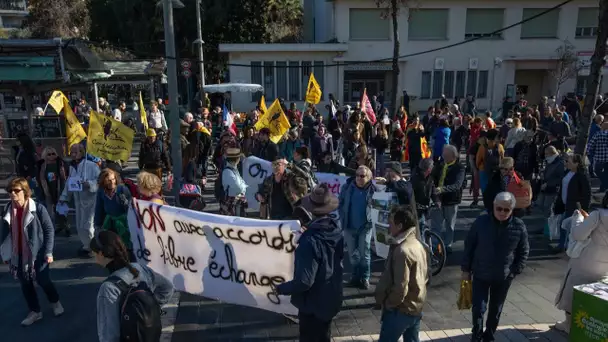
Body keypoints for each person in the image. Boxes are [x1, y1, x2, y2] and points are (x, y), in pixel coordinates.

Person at [275, 184, 344, 342]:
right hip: (331, 296)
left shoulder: (309, 241)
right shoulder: (335, 229)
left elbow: (304, 281)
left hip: (313, 304)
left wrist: (281, 288)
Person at [462, 192, 529, 342]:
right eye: (499, 208)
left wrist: (515, 270)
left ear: (512, 210)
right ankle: (476, 335)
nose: (502, 213)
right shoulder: (481, 222)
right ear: (493, 206)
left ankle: (489, 336)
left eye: (506, 210)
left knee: (495, 310)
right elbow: (469, 246)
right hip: (480, 272)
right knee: (478, 308)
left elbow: (523, 250)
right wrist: (465, 270)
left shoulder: (519, 226)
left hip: (503, 276)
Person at [0, 177, 63, 326]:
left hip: (38, 253)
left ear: (25, 191)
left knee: (43, 280)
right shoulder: (8, 209)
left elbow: (49, 230)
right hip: (18, 254)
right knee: (25, 284)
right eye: (10, 191)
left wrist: (48, 252)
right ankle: (35, 311)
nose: (13, 194)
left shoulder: (38, 208)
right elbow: (4, 232)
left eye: (16, 190)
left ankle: (55, 302)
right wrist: (4, 252)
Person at [91, 230, 174, 342]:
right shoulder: (139, 269)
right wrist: (151, 308)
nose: (93, 256)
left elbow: (109, 334)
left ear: (101, 253)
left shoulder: (108, 288)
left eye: (94, 253)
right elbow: (167, 287)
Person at [554, 193, 608, 333]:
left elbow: (578, 234)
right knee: (593, 294)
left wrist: (579, 220)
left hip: (586, 259)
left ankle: (569, 324)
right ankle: (587, 325)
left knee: (573, 290)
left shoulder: (598, 215)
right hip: (604, 264)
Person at [375, 206, 429, 342]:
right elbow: (425, 276)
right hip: (416, 307)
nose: (388, 226)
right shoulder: (418, 244)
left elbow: (400, 287)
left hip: (400, 311)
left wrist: (388, 304)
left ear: (399, 226)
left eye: (391, 223)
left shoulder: (402, 251)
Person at [338, 165, 378, 290]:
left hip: (365, 227)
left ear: (369, 177)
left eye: (362, 176)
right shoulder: (347, 187)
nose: (359, 178)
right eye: (357, 175)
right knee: (352, 254)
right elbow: (341, 202)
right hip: (349, 226)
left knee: (364, 253)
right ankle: (355, 277)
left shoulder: (374, 190)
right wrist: (342, 215)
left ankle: (365, 277)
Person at [59, 144, 101, 257]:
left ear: (82, 152)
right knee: (80, 225)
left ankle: (94, 247)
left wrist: (90, 184)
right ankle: (87, 246)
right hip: (78, 200)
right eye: (71, 152)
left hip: (90, 200)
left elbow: (99, 181)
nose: (73, 155)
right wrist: (64, 197)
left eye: (75, 152)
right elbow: (69, 183)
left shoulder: (92, 166)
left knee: (89, 225)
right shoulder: (72, 167)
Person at [553, 154, 591, 252]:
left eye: (569, 162)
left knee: (567, 225)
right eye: (566, 162)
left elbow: (586, 193)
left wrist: (583, 208)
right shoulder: (567, 173)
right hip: (564, 203)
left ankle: (565, 246)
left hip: (574, 206)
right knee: (564, 225)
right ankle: (564, 245)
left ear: (577, 164)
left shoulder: (581, 176)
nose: (566, 164)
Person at [430, 145, 465, 253]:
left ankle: (447, 245)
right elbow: (432, 179)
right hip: (438, 200)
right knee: (436, 225)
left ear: (452, 156)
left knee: (450, 225)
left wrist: (443, 189)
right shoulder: (439, 165)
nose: (442, 154)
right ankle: (436, 246)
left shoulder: (459, 168)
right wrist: (434, 194)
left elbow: (457, 185)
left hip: (451, 200)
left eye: (445, 153)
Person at [94, 168, 133, 260]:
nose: (112, 182)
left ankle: (128, 260)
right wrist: (97, 224)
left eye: (113, 179)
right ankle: (117, 261)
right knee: (112, 244)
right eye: (108, 180)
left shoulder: (122, 189)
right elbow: (99, 208)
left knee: (125, 244)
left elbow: (131, 207)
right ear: (103, 181)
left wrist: (126, 203)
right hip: (110, 221)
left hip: (123, 222)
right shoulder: (101, 192)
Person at [36, 147, 69, 236]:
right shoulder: (43, 165)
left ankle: (65, 226)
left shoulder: (60, 163)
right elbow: (41, 178)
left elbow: (64, 178)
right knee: (50, 211)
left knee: (62, 210)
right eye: (49, 154)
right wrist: (45, 191)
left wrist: (63, 173)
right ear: (45, 155)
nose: (51, 156)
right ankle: (51, 228)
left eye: (53, 154)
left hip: (59, 189)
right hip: (48, 189)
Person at [219, 148, 248, 216]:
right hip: (231, 204)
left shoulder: (234, 169)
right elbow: (239, 188)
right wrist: (243, 187)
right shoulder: (228, 171)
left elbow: (242, 183)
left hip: (235, 203)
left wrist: (242, 186)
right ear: (236, 159)